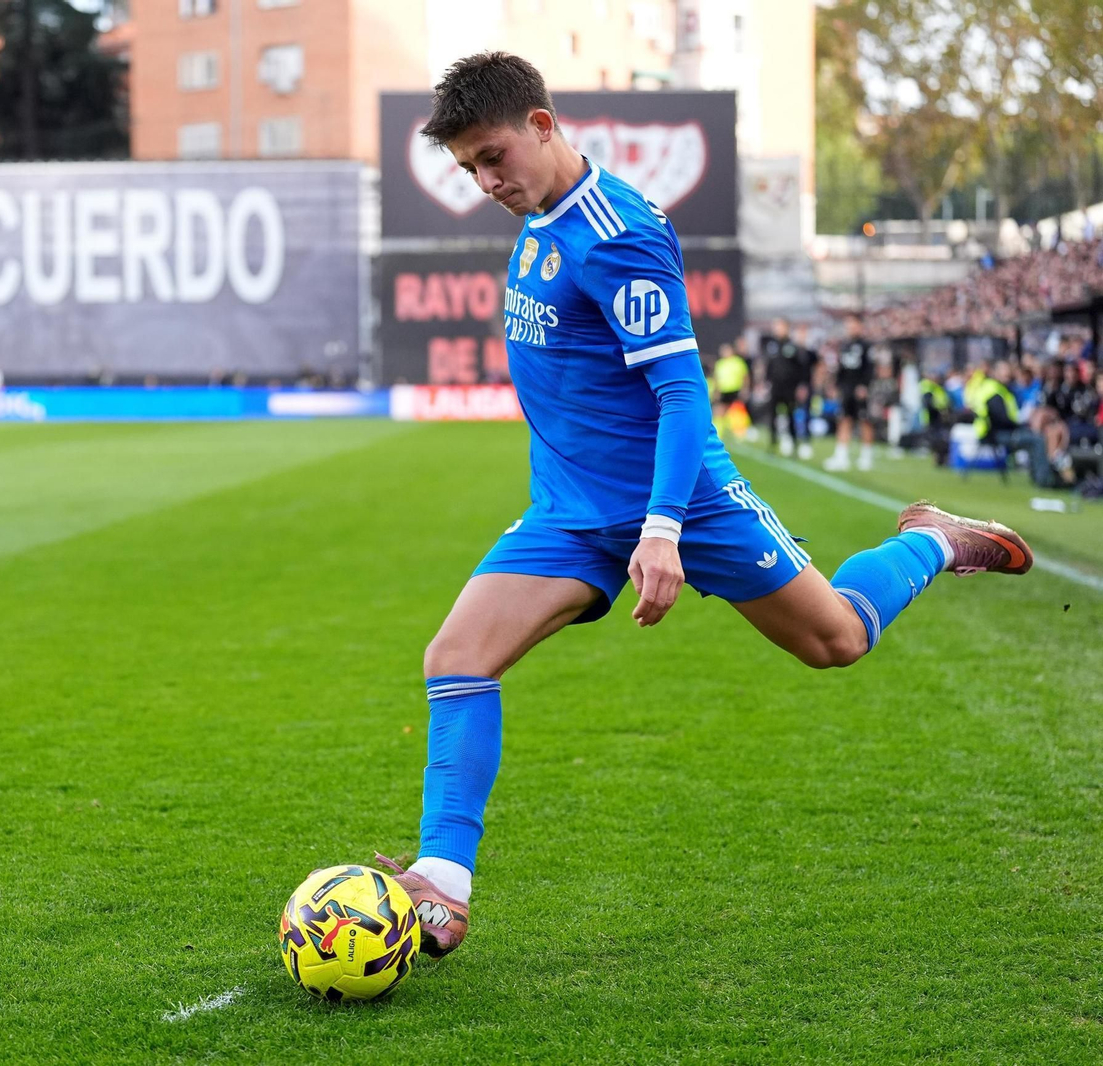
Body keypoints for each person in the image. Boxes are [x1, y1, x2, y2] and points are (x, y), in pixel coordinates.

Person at [379, 52, 1034, 960]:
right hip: (570, 513)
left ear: (542, 123)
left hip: (684, 501)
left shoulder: (620, 234)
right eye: (469, 171)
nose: (486, 182)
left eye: (493, 157)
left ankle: (931, 540)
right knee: (456, 656)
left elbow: (684, 394)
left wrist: (661, 529)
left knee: (835, 640)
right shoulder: (538, 216)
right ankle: (442, 888)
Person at [825, 315, 876, 471]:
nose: (850, 327)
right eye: (848, 324)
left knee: (864, 421)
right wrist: (835, 386)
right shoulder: (844, 345)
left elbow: (870, 368)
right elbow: (840, 368)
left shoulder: (866, 346)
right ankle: (842, 456)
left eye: (853, 324)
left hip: (860, 389)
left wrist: (865, 386)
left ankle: (866, 456)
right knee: (844, 420)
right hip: (846, 388)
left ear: (860, 326)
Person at [762, 318, 814, 459]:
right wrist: (766, 381)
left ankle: (794, 444)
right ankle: (773, 443)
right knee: (773, 415)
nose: (777, 329)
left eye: (780, 326)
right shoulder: (772, 345)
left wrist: (801, 385)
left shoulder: (793, 346)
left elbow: (801, 367)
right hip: (775, 386)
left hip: (790, 387)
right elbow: (769, 366)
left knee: (791, 415)